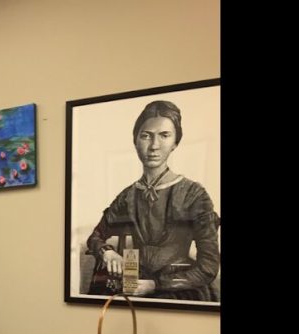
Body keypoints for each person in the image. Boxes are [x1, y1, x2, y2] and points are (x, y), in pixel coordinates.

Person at [85, 100, 220, 301]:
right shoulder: (127, 196)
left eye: (164, 136)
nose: (154, 146)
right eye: (146, 136)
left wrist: (156, 285)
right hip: (132, 284)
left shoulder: (194, 194)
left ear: (175, 142)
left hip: (179, 290)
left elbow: (209, 267)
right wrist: (107, 252)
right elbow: (95, 237)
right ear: (135, 140)